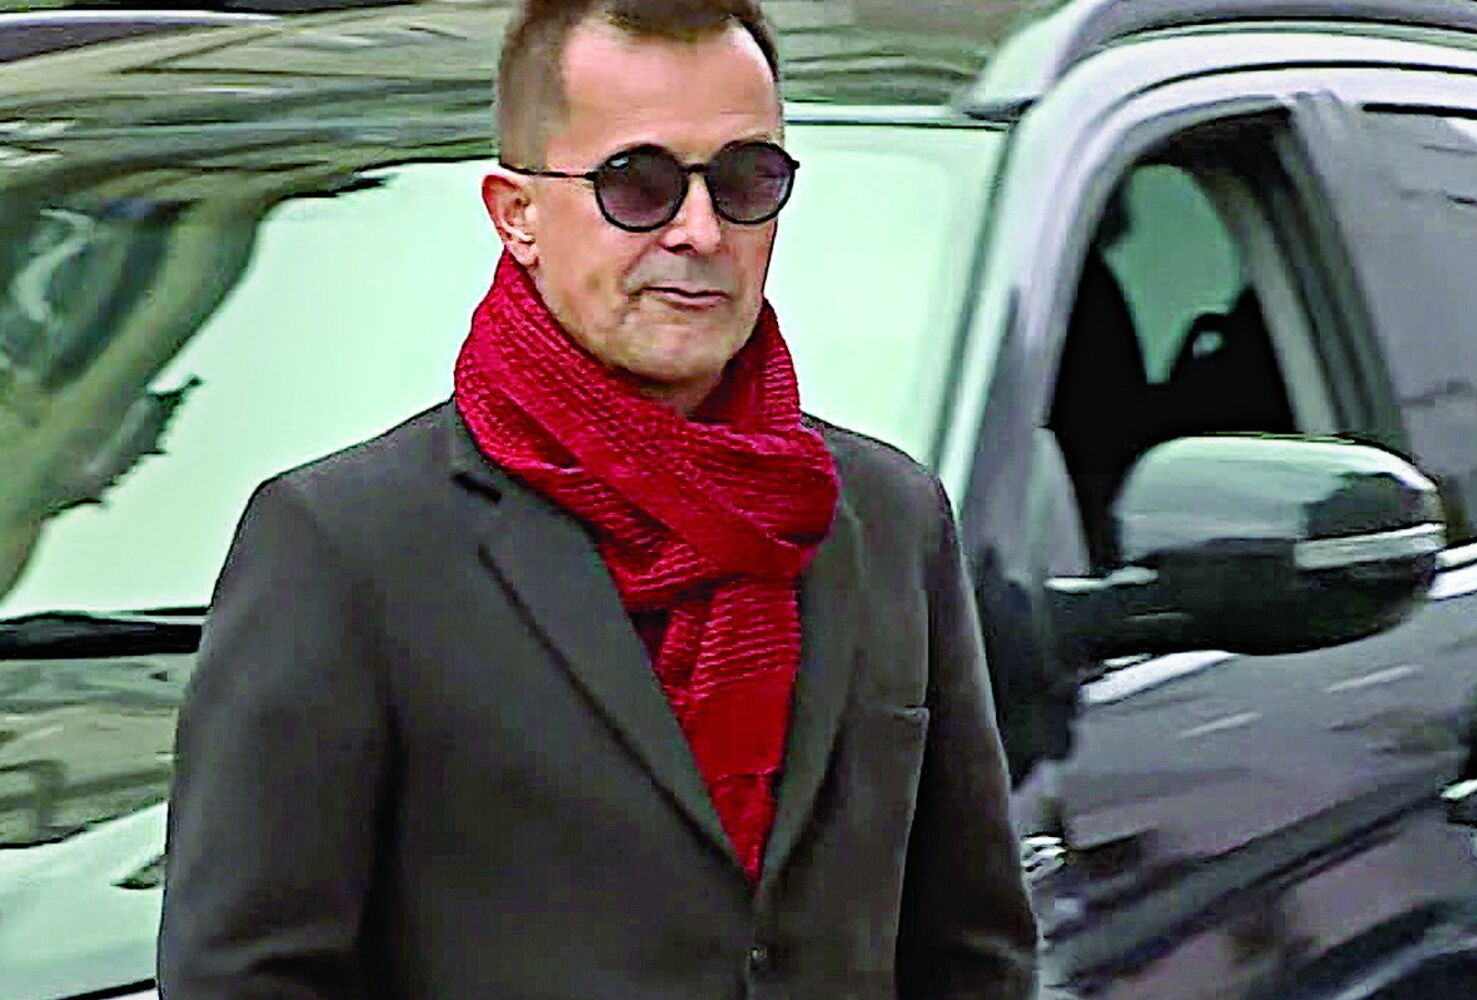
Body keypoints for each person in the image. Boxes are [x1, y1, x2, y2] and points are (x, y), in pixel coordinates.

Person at [155, 1, 1039, 997]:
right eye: (638, 184)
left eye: (746, 180)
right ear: (516, 214)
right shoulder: (344, 549)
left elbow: (972, 953)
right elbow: (247, 976)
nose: (700, 231)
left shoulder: (888, 518)